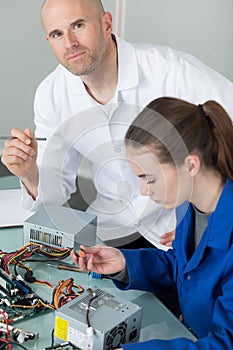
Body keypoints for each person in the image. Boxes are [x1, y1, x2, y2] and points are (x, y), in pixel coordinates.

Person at [1, 0, 233, 250]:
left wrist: (206, 220)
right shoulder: (51, 94)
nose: (70, 43)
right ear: (49, 41)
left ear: (106, 23)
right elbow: (56, 187)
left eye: (78, 25)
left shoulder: (171, 71)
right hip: (117, 232)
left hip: (182, 232)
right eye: (57, 34)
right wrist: (29, 173)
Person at [71, 97, 233, 349]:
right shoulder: (190, 204)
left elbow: (226, 343)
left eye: (150, 178)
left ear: (191, 164)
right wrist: (124, 263)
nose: (144, 191)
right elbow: (187, 271)